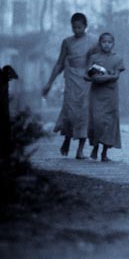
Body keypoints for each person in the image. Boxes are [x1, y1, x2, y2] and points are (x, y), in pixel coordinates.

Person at [43, 13, 98, 160]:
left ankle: (80, 150)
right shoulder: (67, 42)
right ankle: (67, 139)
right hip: (72, 79)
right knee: (70, 112)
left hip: (87, 80)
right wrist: (49, 83)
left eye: (80, 27)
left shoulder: (93, 41)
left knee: (84, 113)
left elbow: (99, 61)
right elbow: (60, 63)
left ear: (85, 26)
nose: (77, 30)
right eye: (74, 27)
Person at [86, 32, 125, 162]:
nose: (107, 45)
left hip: (110, 94)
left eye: (109, 42)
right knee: (97, 121)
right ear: (100, 43)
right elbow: (86, 75)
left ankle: (104, 152)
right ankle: (95, 147)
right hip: (97, 93)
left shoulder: (117, 58)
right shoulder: (93, 57)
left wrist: (106, 77)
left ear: (113, 44)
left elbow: (116, 76)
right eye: (104, 42)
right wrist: (94, 77)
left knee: (109, 122)